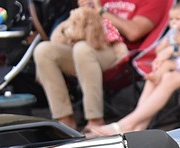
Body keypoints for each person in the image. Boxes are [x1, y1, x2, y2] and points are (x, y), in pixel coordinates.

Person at [86, 0, 180, 136]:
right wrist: (164, 53)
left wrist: (173, 51)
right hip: (178, 59)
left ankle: (121, 126)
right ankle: (136, 131)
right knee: (155, 76)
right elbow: (169, 38)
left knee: (169, 78)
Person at [33, 0, 165, 132]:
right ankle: (64, 119)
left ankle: (95, 121)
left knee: (83, 49)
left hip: (120, 53)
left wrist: (102, 12)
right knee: (43, 50)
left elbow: (134, 32)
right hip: (87, 43)